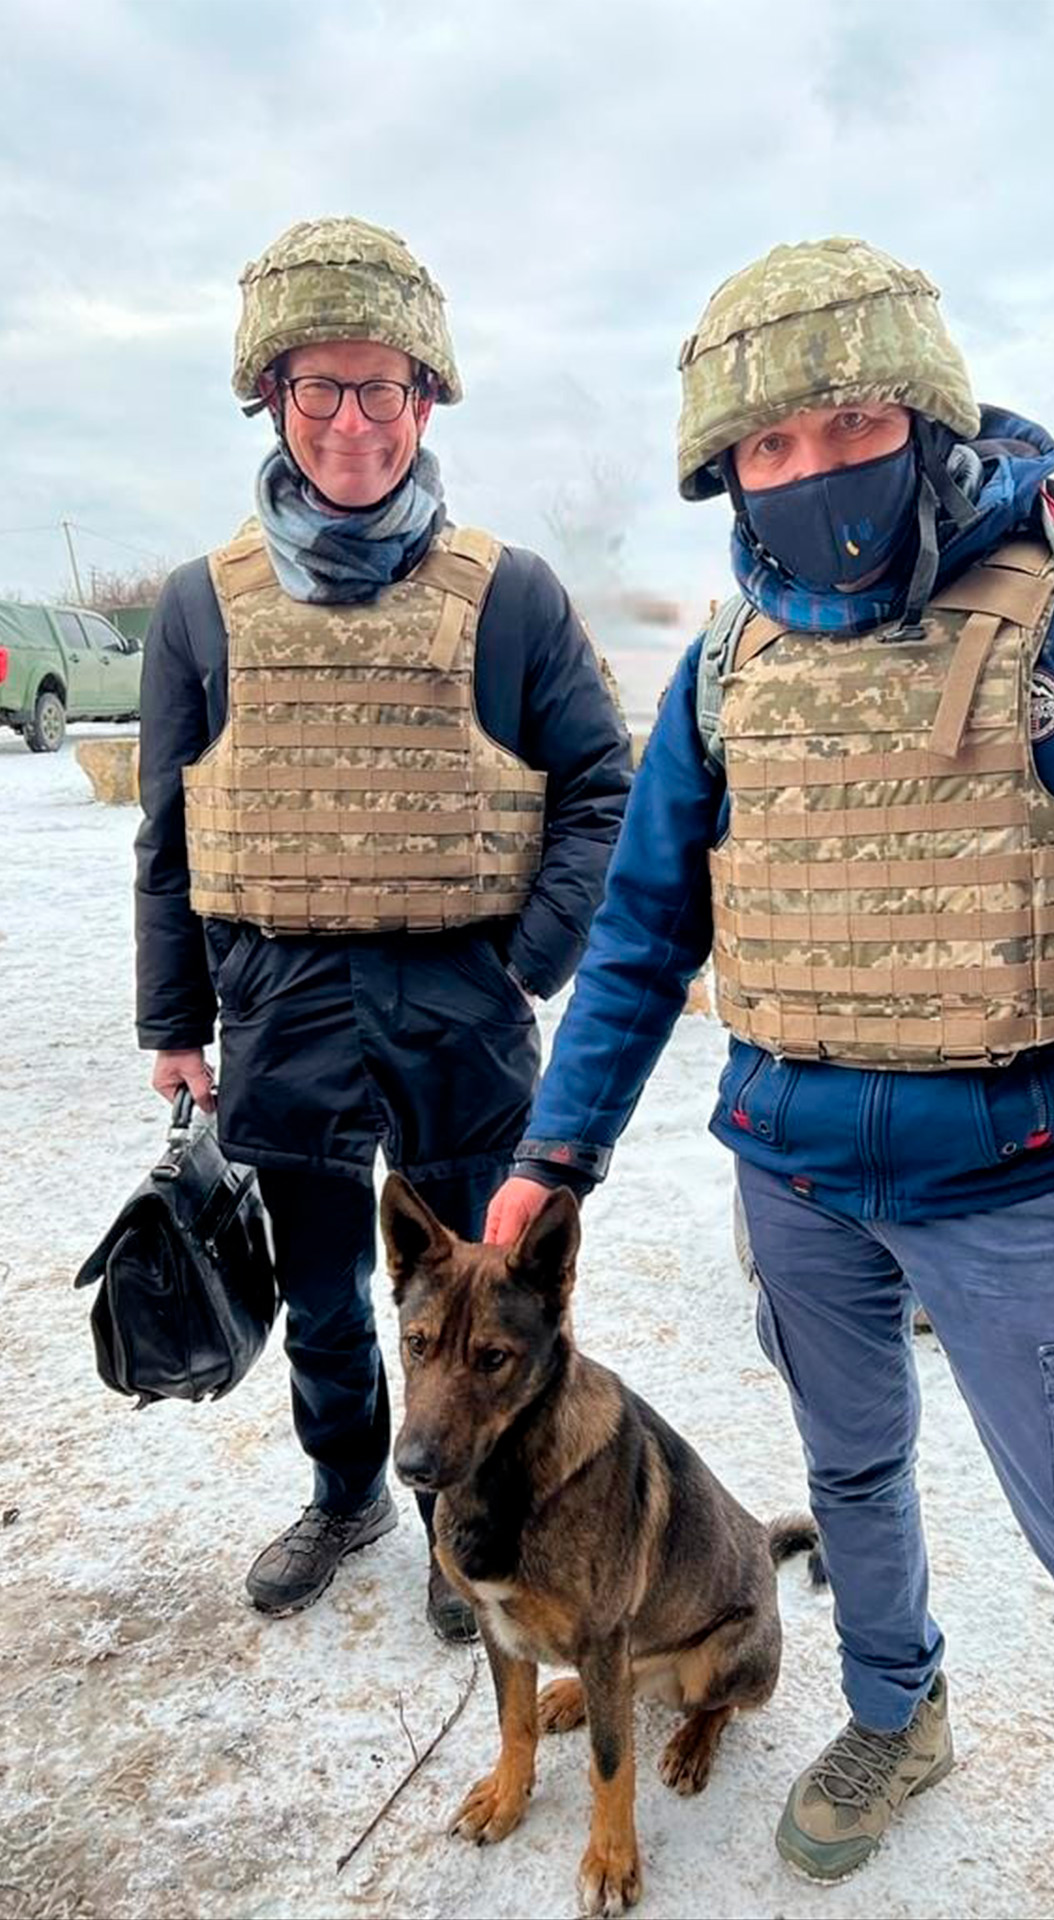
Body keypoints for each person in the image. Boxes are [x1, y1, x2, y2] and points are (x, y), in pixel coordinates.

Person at [484, 237, 1054, 1918]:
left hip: (1009, 1175)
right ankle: (893, 1715)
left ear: (917, 411)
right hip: (794, 1176)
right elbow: (637, 938)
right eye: (766, 449)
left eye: (844, 425)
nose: (809, 471)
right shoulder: (729, 669)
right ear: (728, 472)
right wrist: (557, 1151)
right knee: (849, 1480)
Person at [135, 216, 632, 1637]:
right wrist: (175, 1018)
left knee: (484, 1299)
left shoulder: (511, 593)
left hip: (460, 1004)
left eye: (383, 390)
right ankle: (349, 1487)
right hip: (282, 1001)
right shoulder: (198, 607)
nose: (353, 422)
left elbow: (602, 784)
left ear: (427, 401)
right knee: (327, 1292)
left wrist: (523, 958)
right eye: (320, 390)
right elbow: (170, 831)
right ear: (274, 400)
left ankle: (467, 1517)